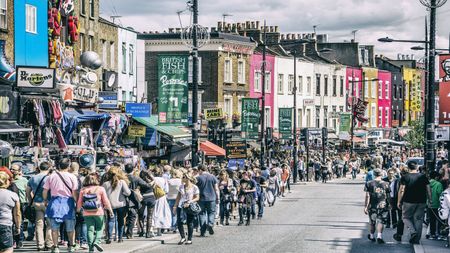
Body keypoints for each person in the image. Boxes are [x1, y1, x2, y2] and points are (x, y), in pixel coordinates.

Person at [42, 158, 79, 253]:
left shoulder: (51, 177)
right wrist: (77, 203)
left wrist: (45, 200)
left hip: (54, 202)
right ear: (69, 166)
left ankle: (56, 247)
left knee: (54, 228)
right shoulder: (72, 177)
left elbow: (45, 191)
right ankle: (71, 245)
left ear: (58, 166)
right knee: (70, 227)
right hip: (68, 203)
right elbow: (74, 192)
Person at [77, 173, 113, 253]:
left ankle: (91, 249)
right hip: (98, 212)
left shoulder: (83, 190)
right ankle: (97, 241)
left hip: (86, 212)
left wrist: (78, 210)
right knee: (100, 228)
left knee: (90, 229)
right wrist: (110, 210)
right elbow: (106, 201)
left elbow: (79, 202)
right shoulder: (100, 189)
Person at [397, 161, 432, 244]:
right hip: (421, 201)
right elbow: (428, 189)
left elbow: (401, 190)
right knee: (419, 220)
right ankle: (416, 240)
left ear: (408, 167)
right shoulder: (423, 177)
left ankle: (413, 232)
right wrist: (430, 199)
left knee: (405, 217)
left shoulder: (405, 177)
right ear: (417, 167)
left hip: (408, 201)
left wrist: (398, 201)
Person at [26, 161, 53, 251]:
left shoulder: (33, 178)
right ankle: (49, 243)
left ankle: (40, 245)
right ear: (49, 168)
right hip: (48, 203)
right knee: (50, 224)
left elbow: (28, 191)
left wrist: (30, 201)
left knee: (39, 224)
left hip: (37, 203)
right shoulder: (50, 178)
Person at [102, 166, 131, 244]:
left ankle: (109, 237)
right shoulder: (121, 182)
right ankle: (120, 238)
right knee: (121, 221)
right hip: (121, 204)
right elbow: (128, 193)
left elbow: (103, 195)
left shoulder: (105, 184)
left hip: (110, 205)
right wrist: (123, 194)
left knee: (110, 220)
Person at [124, 164, 151, 239]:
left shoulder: (122, 178)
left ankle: (122, 232)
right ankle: (129, 233)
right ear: (132, 169)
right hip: (133, 199)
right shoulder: (136, 178)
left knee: (123, 217)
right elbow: (146, 185)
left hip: (122, 199)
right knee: (132, 216)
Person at [364, 168, 390, 244]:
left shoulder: (368, 183)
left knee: (372, 221)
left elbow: (367, 196)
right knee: (381, 221)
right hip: (383, 205)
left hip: (372, 205)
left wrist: (366, 206)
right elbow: (388, 196)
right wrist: (390, 204)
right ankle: (379, 236)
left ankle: (372, 236)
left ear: (374, 174)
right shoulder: (386, 184)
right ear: (381, 174)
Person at [173, 173, 199, 245]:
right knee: (179, 222)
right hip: (181, 206)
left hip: (189, 206)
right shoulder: (181, 186)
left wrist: (190, 202)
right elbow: (178, 197)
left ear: (188, 178)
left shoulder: (194, 187)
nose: (182, 178)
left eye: (183, 177)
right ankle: (183, 237)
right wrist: (175, 206)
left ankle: (189, 239)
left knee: (189, 222)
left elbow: (197, 197)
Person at [0, 171, 21, 253]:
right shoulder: (13, 195)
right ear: (6, 182)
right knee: (7, 249)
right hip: (5, 225)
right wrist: (18, 227)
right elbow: (17, 214)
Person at [196, 164, 219, 236]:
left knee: (201, 213)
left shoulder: (198, 178)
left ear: (200, 170)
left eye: (198, 171)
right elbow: (216, 188)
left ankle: (202, 231)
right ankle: (210, 224)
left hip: (201, 198)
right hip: (212, 198)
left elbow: (195, 189)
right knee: (211, 212)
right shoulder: (212, 177)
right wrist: (217, 197)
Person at [10, 164, 28, 249]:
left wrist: (29, 202)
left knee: (19, 222)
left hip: (21, 203)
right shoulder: (9, 180)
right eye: (11, 169)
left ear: (19, 171)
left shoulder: (24, 180)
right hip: (11, 203)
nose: (12, 171)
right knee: (11, 222)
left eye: (14, 169)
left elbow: (27, 192)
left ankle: (19, 241)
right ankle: (13, 240)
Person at [151, 167, 172, 235]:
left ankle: (151, 229)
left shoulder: (152, 179)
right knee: (160, 213)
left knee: (152, 213)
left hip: (153, 196)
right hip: (161, 197)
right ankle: (159, 231)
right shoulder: (163, 180)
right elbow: (166, 190)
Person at [427, 171, 443, 240]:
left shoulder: (427, 183)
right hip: (438, 204)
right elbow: (440, 194)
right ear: (436, 177)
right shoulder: (438, 184)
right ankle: (439, 233)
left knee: (432, 220)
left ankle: (432, 233)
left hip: (429, 205)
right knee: (439, 220)